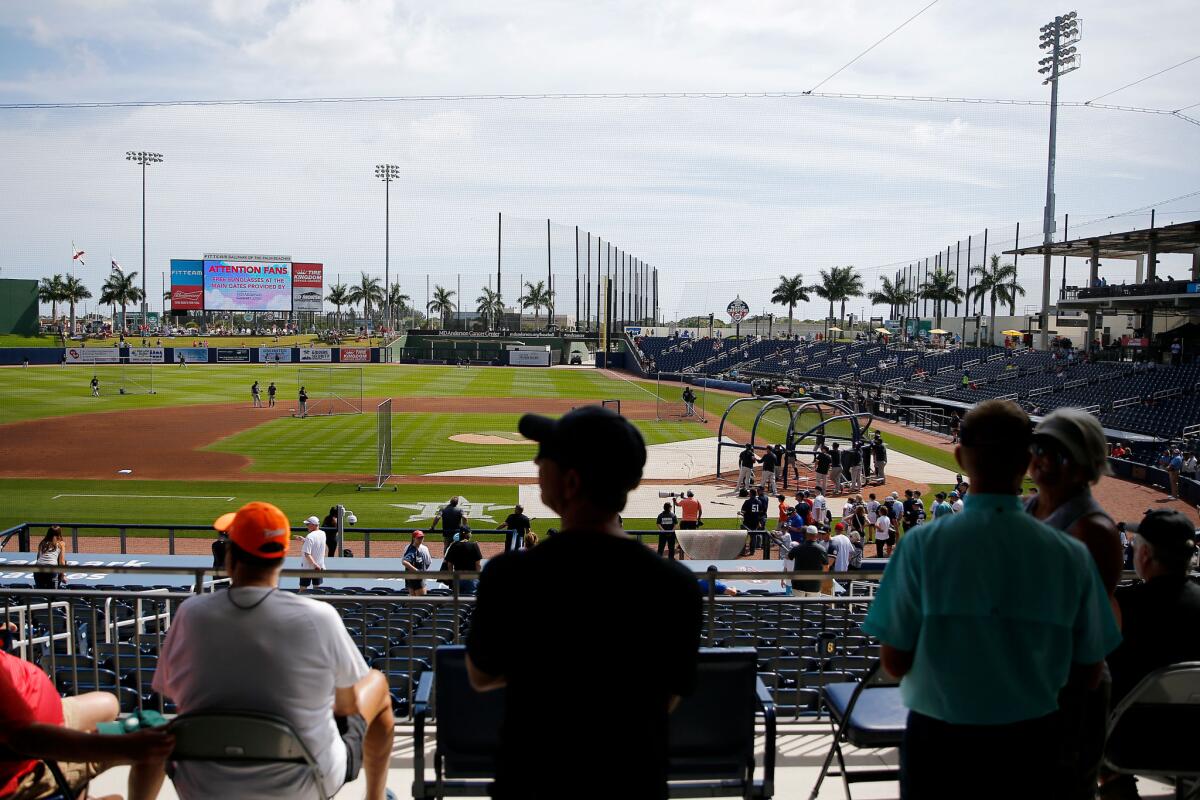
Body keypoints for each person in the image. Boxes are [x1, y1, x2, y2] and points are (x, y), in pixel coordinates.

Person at [862, 400, 1120, 799]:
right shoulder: (1071, 553)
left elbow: (894, 662)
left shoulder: (921, 545)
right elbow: (1087, 669)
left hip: (940, 734)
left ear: (961, 457)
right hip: (1036, 735)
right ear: (1027, 459)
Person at [466, 406, 702, 800]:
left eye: (547, 459)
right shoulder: (676, 585)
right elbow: (669, 695)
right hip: (634, 783)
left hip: (531, 782)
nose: (538, 462)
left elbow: (481, 675)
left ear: (571, 482)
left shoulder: (510, 576)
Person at [150, 501, 396, 800]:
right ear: (280, 559)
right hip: (306, 782)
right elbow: (346, 708)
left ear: (230, 559)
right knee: (378, 683)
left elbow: (170, 693)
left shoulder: (190, 613)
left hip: (200, 782)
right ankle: (376, 797)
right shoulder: (318, 617)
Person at [1025, 407, 1126, 798]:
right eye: (1040, 447)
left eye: (1060, 453)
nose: (1045, 460)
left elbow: (1091, 636)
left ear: (1087, 465)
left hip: (1068, 689)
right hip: (1030, 676)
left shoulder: (1094, 530)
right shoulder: (1031, 507)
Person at [0, 648, 174, 800]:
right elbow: (27, 739)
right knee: (154, 734)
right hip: (25, 764)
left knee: (109, 703)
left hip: (31, 707)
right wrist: (125, 746)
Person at [787, 525, 830, 596]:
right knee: (812, 606)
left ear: (806, 534)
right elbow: (826, 568)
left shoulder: (798, 548)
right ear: (816, 535)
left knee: (797, 606)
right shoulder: (821, 549)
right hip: (814, 585)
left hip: (798, 585)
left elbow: (788, 557)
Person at [442, 528, 483, 595]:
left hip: (457, 577)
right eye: (470, 533)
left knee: (457, 600)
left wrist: (451, 578)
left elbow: (449, 565)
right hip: (471, 578)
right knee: (470, 599)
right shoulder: (474, 545)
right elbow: (478, 565)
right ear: (467, 534)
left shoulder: (453, 546)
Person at [292, 515, 327, 591]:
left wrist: (314, 565)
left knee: (303, 589)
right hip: (320, 566)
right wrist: (304, 540)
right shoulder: (323, 533)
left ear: (313, 525)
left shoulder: (310, 536)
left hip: (307, 568)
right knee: (317, 589)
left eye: (308, 524)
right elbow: (316, 544)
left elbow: (307, 554)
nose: (306, 526)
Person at [401, 530, 432, 596]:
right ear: (414, 538)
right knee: (420, 602)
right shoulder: (413, 549)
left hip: (410, 578)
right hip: (417, 579)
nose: (421, 539)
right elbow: (404, 562)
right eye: (419, 538)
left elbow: (428, 563)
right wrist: (417, 571)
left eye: (422, 537)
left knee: (414, 601)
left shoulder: (408, 547)